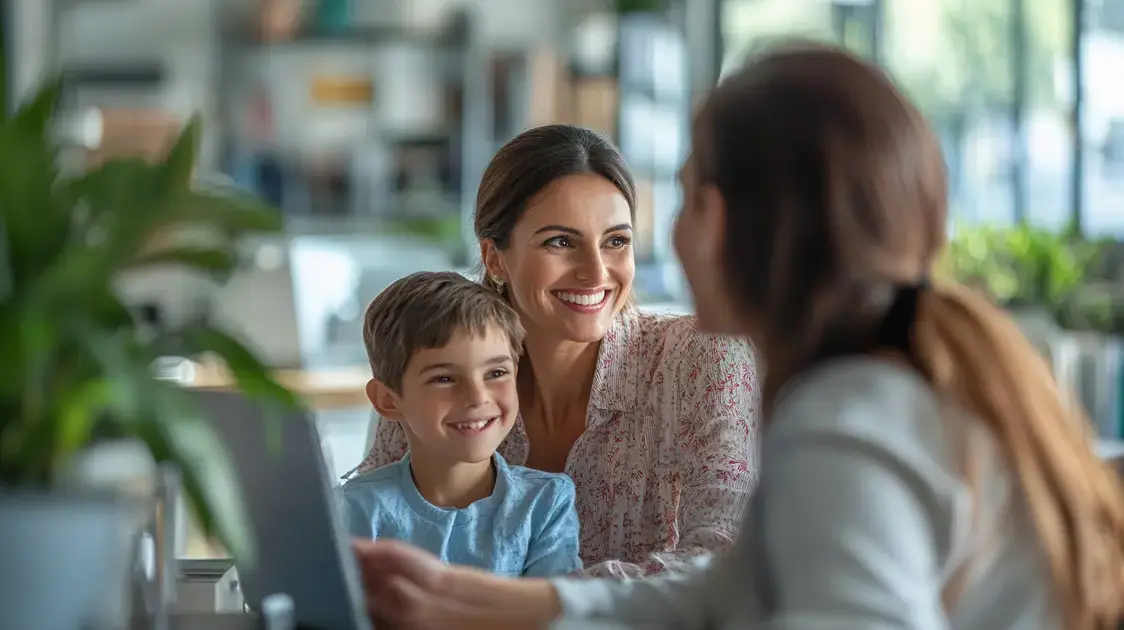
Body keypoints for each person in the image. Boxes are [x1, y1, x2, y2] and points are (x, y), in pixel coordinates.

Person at [352, 43, 1124, 630]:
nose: (634, 257)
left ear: (721, 224)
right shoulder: (875, 383)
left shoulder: (846, 423)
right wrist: (489, 597)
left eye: (682, 200)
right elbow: (727, 589)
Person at [353, 124, 760, 577]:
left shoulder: (701, 359)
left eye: (616, 242)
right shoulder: (437, 362)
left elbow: (726, 556)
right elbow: (371, 511)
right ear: (494, 259)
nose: (595, 271)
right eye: (560, 242)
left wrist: (534, 604)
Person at [337, 271, 582, 578]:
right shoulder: (352, 510)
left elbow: (554, 615)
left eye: (496, 373)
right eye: (444, 379)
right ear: (388, 399)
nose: (477, 397)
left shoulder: (546, 504)